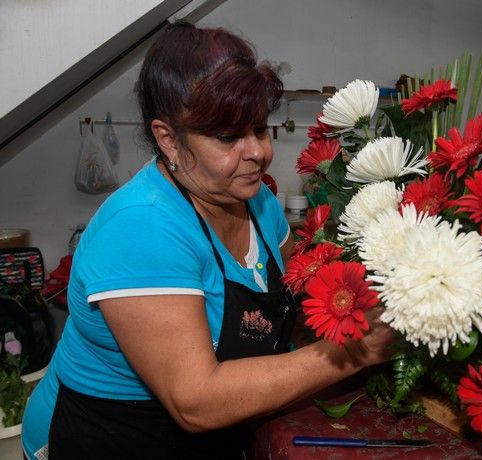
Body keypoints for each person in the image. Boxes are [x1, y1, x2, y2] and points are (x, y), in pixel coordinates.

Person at [22, 21, 394, 460]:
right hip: (112, 435)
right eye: (228, 137)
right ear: (168, 139)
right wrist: (355, 350)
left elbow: (298, 289)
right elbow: (195, 401)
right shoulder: (143, 227)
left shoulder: (258, 203)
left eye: (259, 128)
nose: (257, 151)